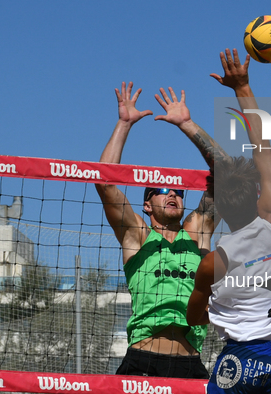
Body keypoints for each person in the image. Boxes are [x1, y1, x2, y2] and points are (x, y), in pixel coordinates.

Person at [95, 58, 237, 378]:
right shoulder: (138, 236)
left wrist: (188, 124)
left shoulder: (198, 232)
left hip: (189, 363)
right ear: (147, 205)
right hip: (142, 360)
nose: (173, 193)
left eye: (178, 190)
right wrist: (124, 124)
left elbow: (227, 173)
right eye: (161, 190)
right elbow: (104, 182)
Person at [187, 49, 271, 393]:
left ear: (218, 205)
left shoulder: (212, 264)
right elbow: (261, 145)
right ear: (256, 193)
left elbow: (194, 318)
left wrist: (228, 311)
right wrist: (242, 86)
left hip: (241, 358)